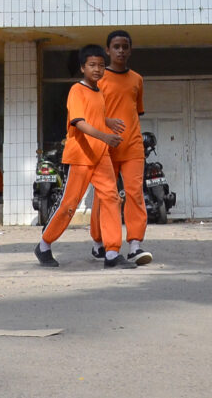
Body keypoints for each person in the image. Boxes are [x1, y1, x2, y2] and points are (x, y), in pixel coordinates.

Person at [36, 45, 129, 268]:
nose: (97, 69)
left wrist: (108, 122)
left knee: (112, 200)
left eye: (100, 65)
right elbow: (79, 122)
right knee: (69, 204)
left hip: (101, 157)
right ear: (82, 67)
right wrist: (105, 136)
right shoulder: (76, 90)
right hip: (80, 156)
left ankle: (112, 253)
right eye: (92, 65)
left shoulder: (99, 92)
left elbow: (94, 116)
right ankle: (44, 245)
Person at [88, 29, 152, 266]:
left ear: (130, 50)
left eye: (125, 46)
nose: (121, 51)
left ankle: (135, 245)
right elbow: (89, 115)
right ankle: (99, 242)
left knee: (135, 194)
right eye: (116, 46)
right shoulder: (98, 79)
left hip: (133, 147)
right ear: (107, 50)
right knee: (105, 197)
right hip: (105, 148)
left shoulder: (137, 79)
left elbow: (136, 112)